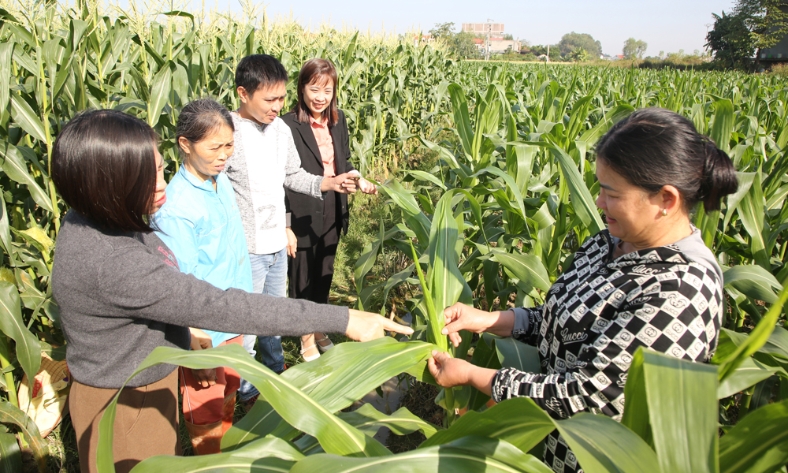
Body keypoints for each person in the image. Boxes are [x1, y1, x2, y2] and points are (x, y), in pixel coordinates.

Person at [50, 109, 412, 473]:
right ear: (107, 185)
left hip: (140, 381)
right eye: (145, 177)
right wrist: (343, 318)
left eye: (160, 169)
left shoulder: (93, 218)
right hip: (126, 404)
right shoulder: (114, 262)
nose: (161, 184)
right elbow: (218, 305)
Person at [427, 108, 738, 473]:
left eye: (611, 193)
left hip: (597, 460)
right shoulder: (610, 241)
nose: (600, 203)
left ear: (666, 200)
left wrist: (473, 376)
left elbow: (589, 395)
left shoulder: (680, 290)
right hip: (551, 447)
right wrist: (491, 319)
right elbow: (564, 320)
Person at [225, 54, 358, 389]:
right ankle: (244, 388)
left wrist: (330, 183)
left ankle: (273, 369)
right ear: (243, 94)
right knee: (249, 320)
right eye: (271, 99)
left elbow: (292, 176)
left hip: (276, 241)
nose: (277, 106)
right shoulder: (227, 132)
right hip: (247, 246)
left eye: (281, 97)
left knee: (272, 313)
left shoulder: (279, 130)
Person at [152, 98, 251, 454]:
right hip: (205, 332)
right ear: (185, 145)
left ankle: (223, 454)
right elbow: (178, 282)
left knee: (228, 395)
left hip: (233, 315)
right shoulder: (177, 208)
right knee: (205, 411)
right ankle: (209, 460)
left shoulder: (218, 180)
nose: (225, 155)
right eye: (215, 147)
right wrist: (194, 332)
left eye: (229, 145)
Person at [282, 58, 378, 361]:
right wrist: (285, 224)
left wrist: (359, 180)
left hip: (334, 208)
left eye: (327, 90)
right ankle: (306, 337)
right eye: (314, 89)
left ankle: (320, 327)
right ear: (302, 88)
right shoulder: (287, 125)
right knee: (302, 277)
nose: (320, 97)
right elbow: (283, 178)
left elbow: (344, 162)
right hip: (301, 211)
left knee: (324, 273)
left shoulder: (339, 120)